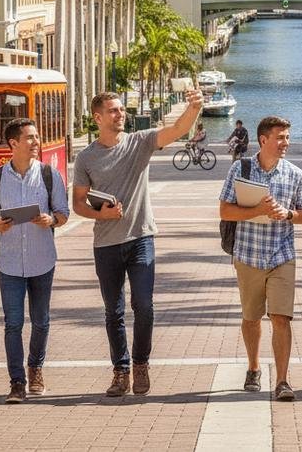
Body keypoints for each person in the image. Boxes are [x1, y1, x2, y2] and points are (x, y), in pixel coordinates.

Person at [73, 88, 204, 398]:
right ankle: (121, 371)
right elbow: (78, 203)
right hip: (106, 244)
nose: (120, 114)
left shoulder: (139, 142)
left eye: (121, 109)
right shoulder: (86, 157)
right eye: (113, 110)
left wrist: (194, 107)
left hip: (141, 238)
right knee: (113, 311)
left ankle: (141, 363)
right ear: (98, 118)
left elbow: (177, 129)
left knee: (144, 306)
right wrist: (101, 214)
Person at [219, 116, 302, 401]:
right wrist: (257, 211)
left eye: (287, 137)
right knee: (251, 318)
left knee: (281, 317)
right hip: (248, 255)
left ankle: (282, 381)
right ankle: (254, 367)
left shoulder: (295, 174)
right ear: (263, 140)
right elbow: (225, 211)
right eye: (280, 137)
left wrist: (287, 213)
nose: (286, 143)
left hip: (282, 255)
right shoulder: (241, 169)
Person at [0, 118, 70, 403]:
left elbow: (63, 213)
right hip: (9, 263)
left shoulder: (48, 174)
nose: (36, 142)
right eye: (30, 138)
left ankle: (35, 368)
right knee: (13, 324)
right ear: (13, 143)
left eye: (36, 137)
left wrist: (50, 220)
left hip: (42, 259)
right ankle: (17, 382)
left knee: (41, 321)